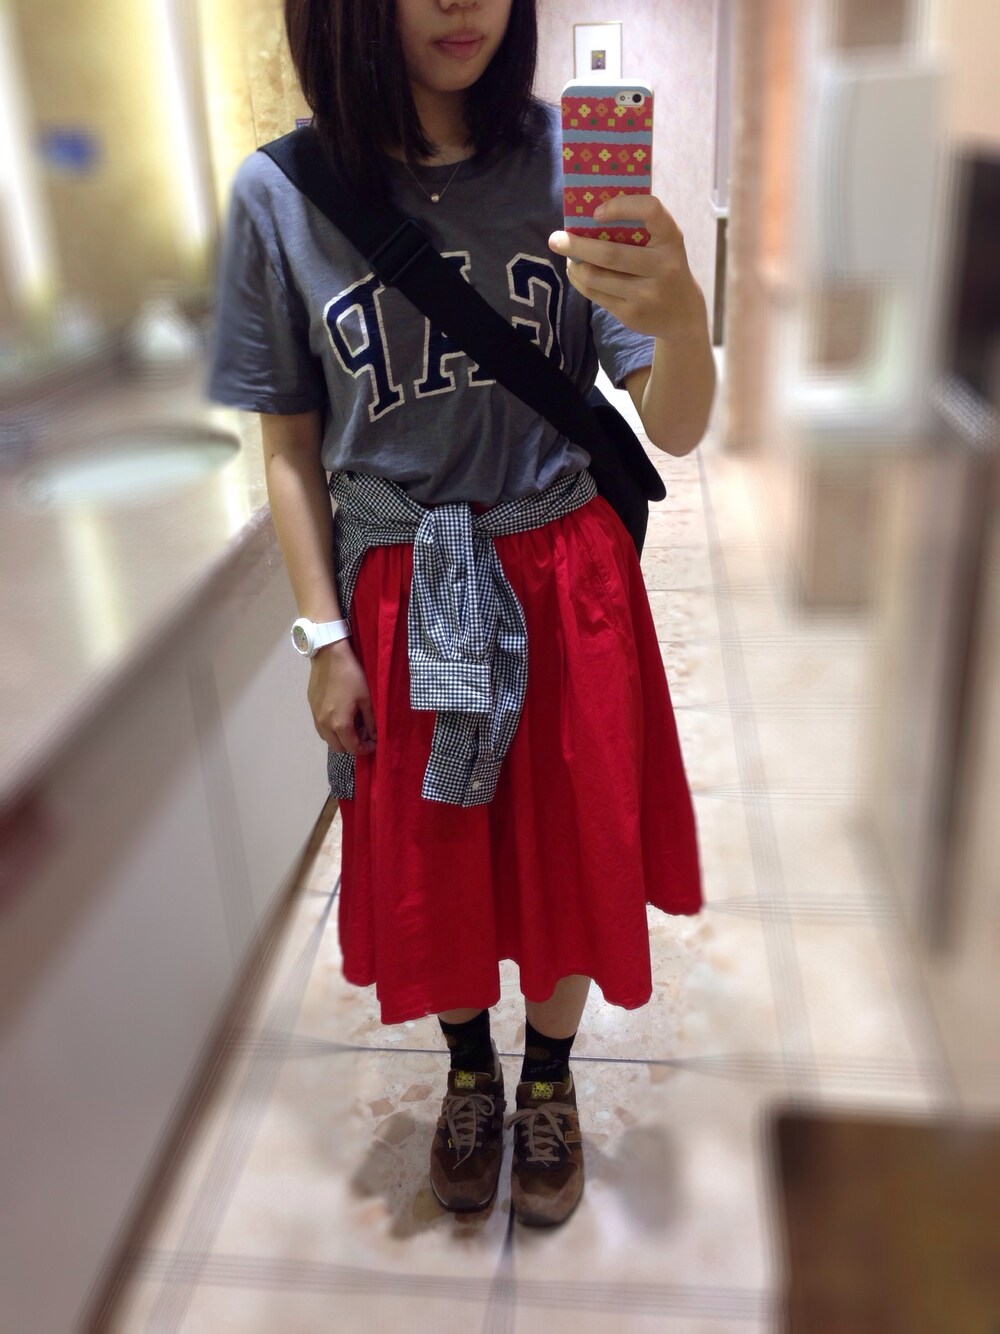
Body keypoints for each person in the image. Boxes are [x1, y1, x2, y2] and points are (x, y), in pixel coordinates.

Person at [207, 0, 715, 1229]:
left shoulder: (563, 164)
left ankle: (547, 1078)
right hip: (400, 590)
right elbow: (288, 449)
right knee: (434, 860)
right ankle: (470, 1070)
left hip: (565, 578)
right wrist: (322, 637)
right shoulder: (282, 196)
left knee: (572, 844)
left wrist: (684, 317)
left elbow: (675, 422)